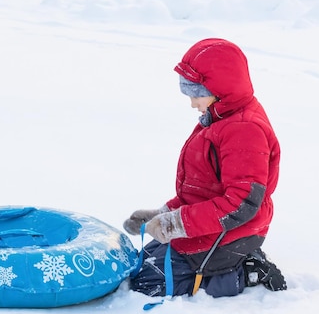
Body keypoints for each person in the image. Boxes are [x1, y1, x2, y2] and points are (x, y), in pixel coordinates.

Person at [123, 38, 287, 298]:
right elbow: (203, 189)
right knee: (137, 263)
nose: (192, 103)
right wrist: (163, 214)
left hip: (232, 230)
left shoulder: (244, 129)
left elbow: (241, 204)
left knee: (147, 283)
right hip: (210, 222)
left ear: (220, 87)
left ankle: (246, 271)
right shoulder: (220, 116)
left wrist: (175, 224)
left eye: (197, 93)